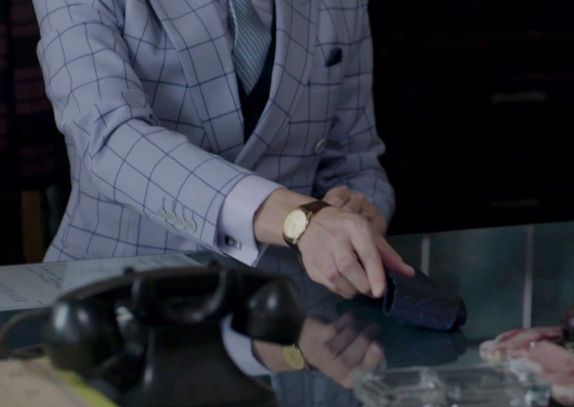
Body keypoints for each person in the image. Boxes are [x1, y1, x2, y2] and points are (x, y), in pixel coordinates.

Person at [33, 0, 414, 301]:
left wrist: (357, 215)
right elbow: (109, 136)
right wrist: (297, 220)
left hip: (294, 315)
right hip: (117, 301)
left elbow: (356, 162)